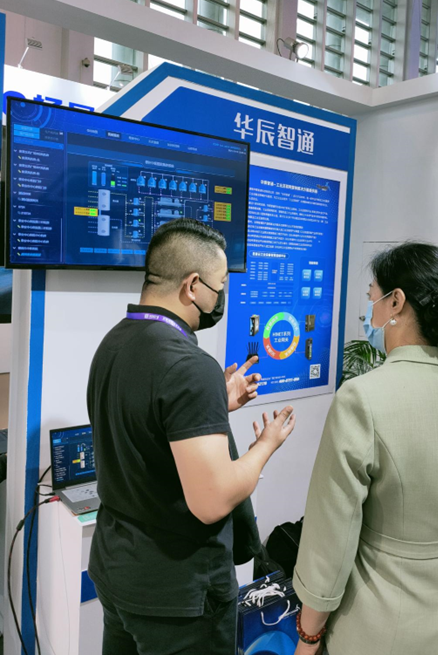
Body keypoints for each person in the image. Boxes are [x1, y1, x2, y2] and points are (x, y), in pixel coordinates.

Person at [292, 242, 438, 655]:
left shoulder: (361, 399)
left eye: (373, 299)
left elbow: (330, 537)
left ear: (396, 302)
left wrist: (309, 634)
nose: (370, 314)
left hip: (381, 619)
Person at [87, 218, 295, 655]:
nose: (221, 299)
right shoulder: (189, 366)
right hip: (178, 595)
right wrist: (265, 445)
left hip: (117, 571)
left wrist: (215, 403)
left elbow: (150, 423)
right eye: (220, 287)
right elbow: (212, 500)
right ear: (193, 286)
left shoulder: (113, 343)